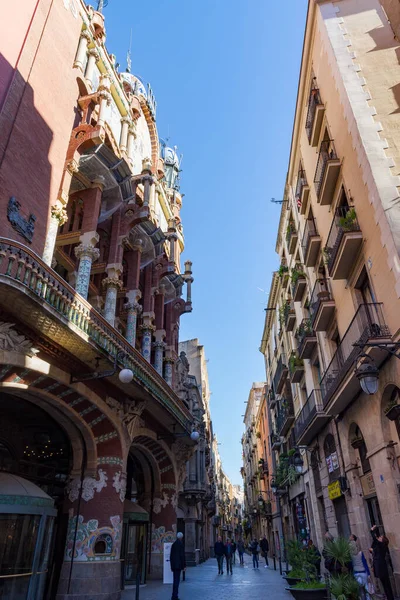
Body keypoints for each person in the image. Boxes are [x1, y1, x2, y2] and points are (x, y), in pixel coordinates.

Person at [370, 525, 394, 600]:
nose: (379, 537)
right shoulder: (380, 545)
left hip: (381, 568)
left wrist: (372, 531)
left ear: (382, 540)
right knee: (385, 584)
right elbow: (375, 541)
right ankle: (389, 597)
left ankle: (390, 598)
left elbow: (375, 538)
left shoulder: (382, 545)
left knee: (386, 585)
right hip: (380, 568)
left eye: (381, 537)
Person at [349, 534, 371, 600]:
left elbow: (351, 565)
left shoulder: (351, 555)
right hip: (363, 572)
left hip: (356, 573)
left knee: (360, 590)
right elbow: (365, 563)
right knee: (366, 589)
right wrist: (369, 573)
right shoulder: (361, 553)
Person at [170, 532, 186, 600]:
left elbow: (171, 556)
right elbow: (182, 556)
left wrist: (171, 565)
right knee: (177, 581)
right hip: (179, 565)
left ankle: (174, 595)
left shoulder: (173, 544)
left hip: (174, 566)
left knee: (175, 581)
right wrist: (184, 566)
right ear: (181, 537)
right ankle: (175, 596)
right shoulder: (181, 545)